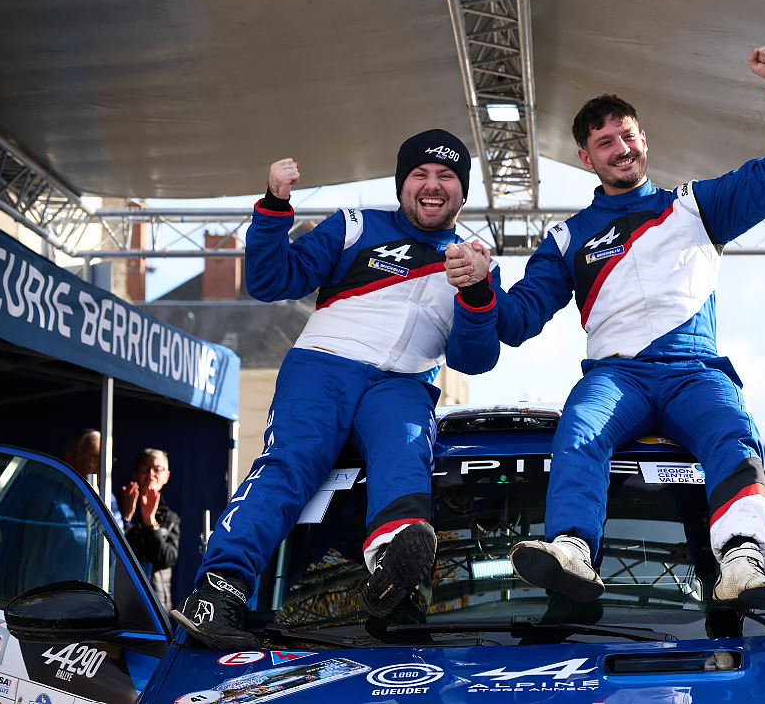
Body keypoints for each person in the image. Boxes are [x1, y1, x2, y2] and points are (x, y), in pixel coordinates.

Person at [446, 44, 765, 607]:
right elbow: (515, 322)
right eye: (606, 142)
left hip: (695, 372)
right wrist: (479, 281)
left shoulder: (695, 206)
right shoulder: (568, 239)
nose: (622, 149)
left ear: (644, 139)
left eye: (629, 135)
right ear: (585, 158)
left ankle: (740, 561)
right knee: (579, 428)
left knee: (734, 436)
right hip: (617, 378)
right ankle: (571, 551)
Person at [171, 129, 501, 649]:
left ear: (462, 192)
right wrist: (275, 206)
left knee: (407, 451)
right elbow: (271, 280)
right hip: (324, 366)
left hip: (405, 383)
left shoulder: (475, 258)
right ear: (401, 184)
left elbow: (473, 359)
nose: (432, 185)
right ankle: (218, 591)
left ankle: (391, 562)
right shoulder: (354, 226)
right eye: (420, 174)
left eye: (446, 177)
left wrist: (478, 289)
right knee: (291, 465)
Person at [121, 449, 180, 608]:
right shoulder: (120, 508)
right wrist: (125, 518)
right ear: (135, 474)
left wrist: (150, 521)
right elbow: (112, 552)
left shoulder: (170, 517)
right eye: (145, 469)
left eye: (157, 469)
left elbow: (166, 559)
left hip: (157, 604)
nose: (151, 474)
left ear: (166, 476)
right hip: (123, 598)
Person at [64, 428, 124, 524]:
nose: (102, 467)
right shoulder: (52, 495)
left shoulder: (108, 496)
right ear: (71, 459)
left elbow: (119, 532)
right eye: (96, 459)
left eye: (107, 461)